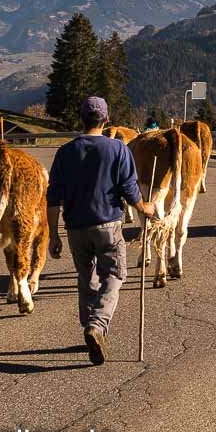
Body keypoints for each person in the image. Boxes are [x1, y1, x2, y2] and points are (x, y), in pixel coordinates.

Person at [47, 96, 156, 365]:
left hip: (75, 228)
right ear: (106, 120)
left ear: (81, 119)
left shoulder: (65, 152)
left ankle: (90, 328)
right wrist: (144, 207)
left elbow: (53, 198)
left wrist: (54, 234)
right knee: (115, 275)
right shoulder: (117, 149)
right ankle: (97, 325)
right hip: (107, 224)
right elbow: (129, 189)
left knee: (87, 277)